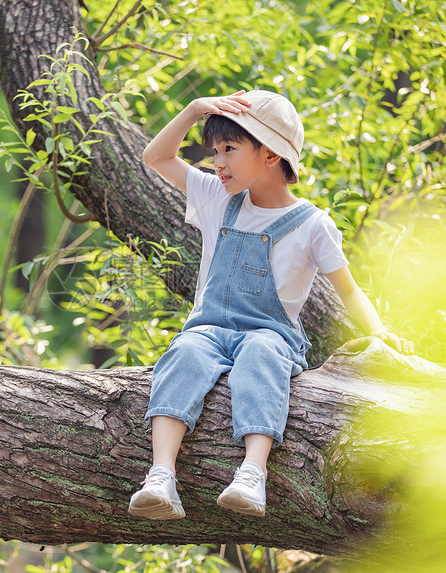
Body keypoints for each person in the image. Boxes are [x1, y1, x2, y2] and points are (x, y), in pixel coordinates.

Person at [128, 89, 413, 520]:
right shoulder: (215, 197)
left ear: (270, 154)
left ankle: (252, 473)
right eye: (214, 150)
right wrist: (194, 110)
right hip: (209, 331)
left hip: (271, 335)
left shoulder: (314, 224)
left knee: (262, 355)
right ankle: (161, 474)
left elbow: (348, 290)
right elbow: (156, 157)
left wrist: (378, 331)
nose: (217, 161)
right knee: (183, 352)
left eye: (229, 149)